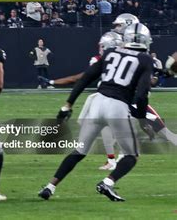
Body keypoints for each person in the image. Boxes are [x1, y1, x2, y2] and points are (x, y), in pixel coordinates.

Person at [38, 23, 154, 202]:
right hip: (118, 106)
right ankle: (107, 182)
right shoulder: (145, 59)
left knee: (79, 151)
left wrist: (68, 104)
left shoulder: (110, 53)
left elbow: (85, 78)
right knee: (131, 155)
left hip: (97, 102)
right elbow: (141, 94)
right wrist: (141, 119)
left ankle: (50, 186)